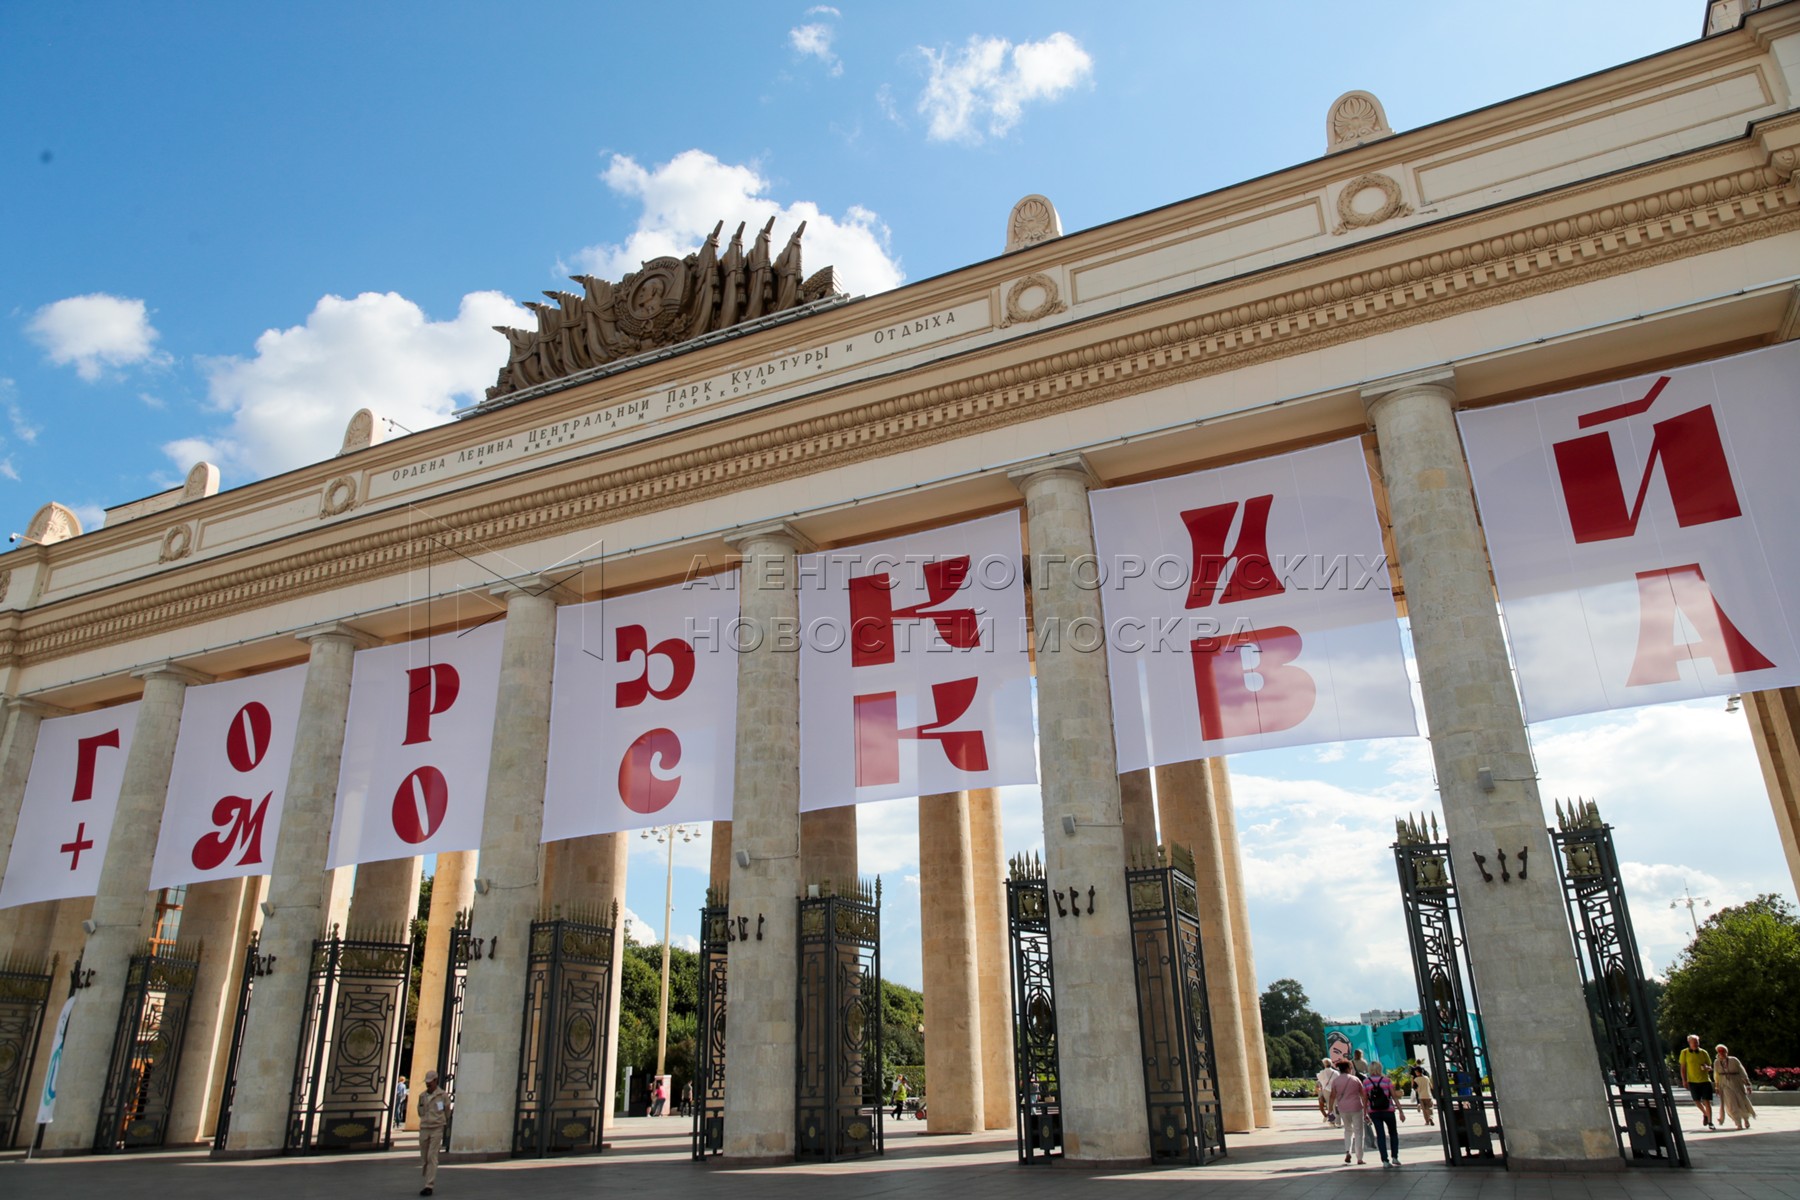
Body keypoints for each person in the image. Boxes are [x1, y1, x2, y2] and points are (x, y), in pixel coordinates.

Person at [1325, 1060, 1368, 1165]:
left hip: (1343, 1109)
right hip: (1356, 1107)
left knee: (1348, 1130)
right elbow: (1363, 1095)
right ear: (1348, 1069)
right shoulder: (1355, 1079)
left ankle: (1348, 1151)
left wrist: (1330, 1110)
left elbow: (1332, 1096)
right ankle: (1359, 1158)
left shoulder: (1336, 1081)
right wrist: (1366, 1110)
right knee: (1358, 1132)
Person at [417, 1070, 451, 1196]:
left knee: (432, 1156)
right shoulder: (422, 1096)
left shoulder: (442, 1095)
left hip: (437, 1127)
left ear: (435, 1081)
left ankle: (429, 1185)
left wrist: (442, 1121)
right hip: (424, 1127)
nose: (428, 1085)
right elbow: (419, 1111)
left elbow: (447, 1110)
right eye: (427, 1083)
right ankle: (427, 1177)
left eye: (430, 1083)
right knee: (425, 1157)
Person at [1364, 1060, 1402, 1168]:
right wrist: (1401, 1111)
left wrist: (1364, 1113)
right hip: (1388, 1110)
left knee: (1380, 1135)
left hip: (1374, 1111)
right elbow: (1394, 1096)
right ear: (1380, 1068)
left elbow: (1365, 1099)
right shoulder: (1387, 1080)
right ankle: (1395, 1157)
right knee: (1393, 1133)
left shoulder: (1366, 1082)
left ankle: (1385, 1160)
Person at [1712, 1044, 1756, 1130]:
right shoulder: (1716, 1062)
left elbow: (1742, 1071)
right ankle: (1738, 1122)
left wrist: (1747, 1084)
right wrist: (1717, 1087)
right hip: (1724, 1084)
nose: (1721, 1053)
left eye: (1723, 1051)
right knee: (1731, 1104)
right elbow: (1716, 1075)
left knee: (1741, 1101)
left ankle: (1746, 1119)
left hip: (1736, 1082)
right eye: (1719, 1051)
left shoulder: (1734, 1060)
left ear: (1726, 1052)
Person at [1678, 1033, 1715, 1129]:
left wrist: (1707, 1067)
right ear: (1689, 1043)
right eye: (1693, 1042)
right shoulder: (1684, 1052)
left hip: (1705, 1080)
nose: (1695, 1043)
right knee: (1696, 1100)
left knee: (1707, 1101)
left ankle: (1710, 1122)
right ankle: (1705, 1113)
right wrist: (1684, 1080)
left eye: (1697, 1042)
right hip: (1692, 1080)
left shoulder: (1703, 1052)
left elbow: (1710, 1066)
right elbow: (1683, 1068)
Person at [1315, 1058, 1339, 1125]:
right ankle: (1337, 1120)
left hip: (1326, 1090)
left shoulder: (1322, 1073)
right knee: (1335, 1104)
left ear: (1324, 1064)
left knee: (1329, 1105)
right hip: (1335, 1089)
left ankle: (1332, 1120)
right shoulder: (1336, 1072)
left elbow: (1319, 1078)